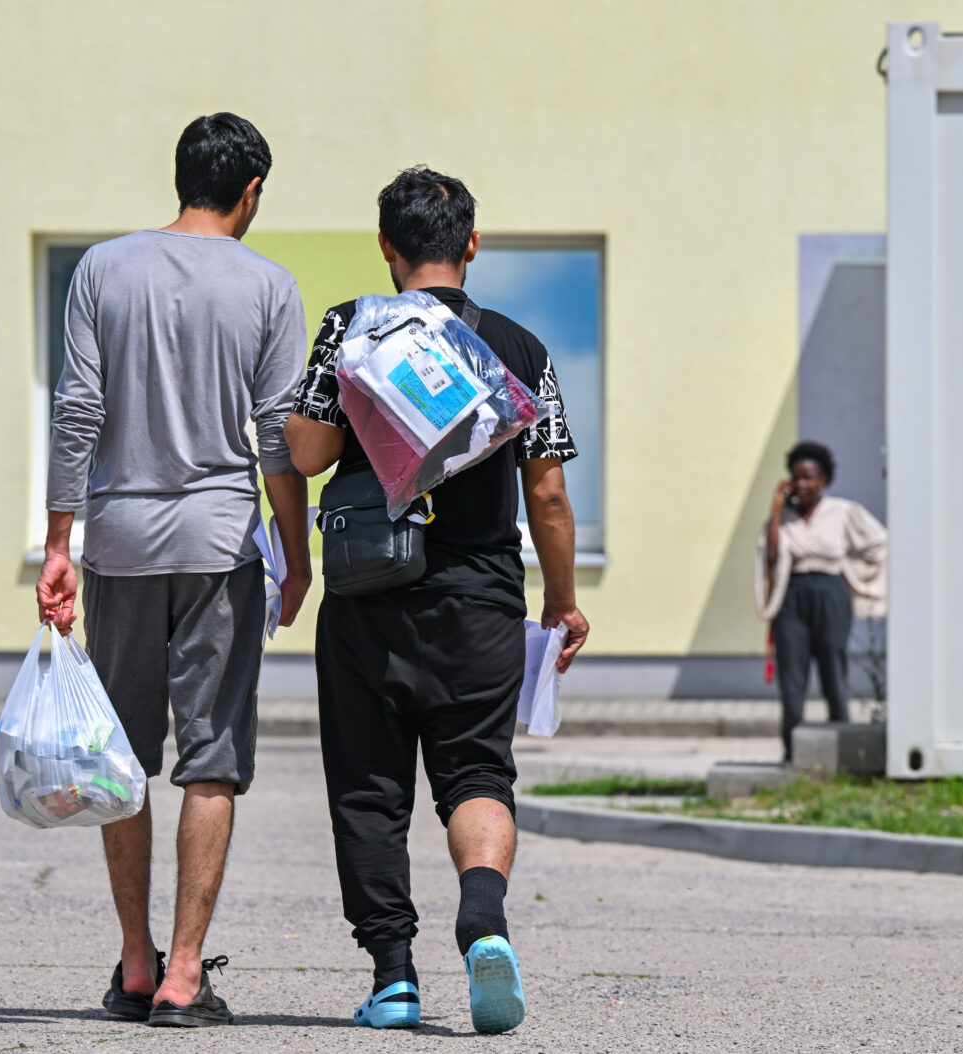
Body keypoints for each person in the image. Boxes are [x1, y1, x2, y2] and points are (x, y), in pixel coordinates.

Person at [284, 165, 588, 1035]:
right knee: (478, 776)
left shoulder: (352, 328)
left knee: (371, 791)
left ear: (386, 248)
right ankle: (483, 918)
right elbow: (551, 497)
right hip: (482, 599)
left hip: (369, 597)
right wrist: (560, 603)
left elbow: (306, 456)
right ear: (473, 246)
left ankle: (393, 978)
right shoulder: (520, 349)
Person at [36, 112, 312, 1029]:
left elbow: (78, 410)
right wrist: (296, 549)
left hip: (119, 541)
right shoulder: (270, 286)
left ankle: (133, 962)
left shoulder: (103, 270)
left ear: (182, 175)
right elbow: (277, 435)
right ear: (251, 192)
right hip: (220, 543)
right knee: (212, 762)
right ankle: (186, 974)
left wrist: (59, 542)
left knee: (122, 762)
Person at [754, 441, 886, 760]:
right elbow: (769, 557)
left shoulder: (843, 512)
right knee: (792, 679)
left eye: (809, 478)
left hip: (831, 594)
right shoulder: (782, 519)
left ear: (823, 479)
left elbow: (879, 544)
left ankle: (844, 751)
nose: (802, 485)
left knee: (833, 673)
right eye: (796, 478)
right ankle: (793, 752)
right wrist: (775, 508)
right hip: (791, 598)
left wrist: (852, 575)